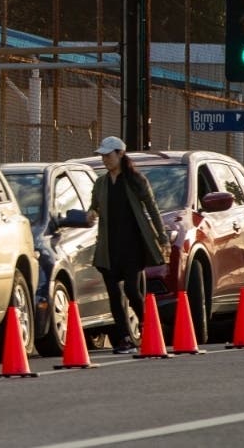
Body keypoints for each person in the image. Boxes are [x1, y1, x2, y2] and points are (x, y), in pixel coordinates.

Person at [86, 136, 168, 355]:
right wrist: (91, 213)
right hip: (108, 247)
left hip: (133, 245)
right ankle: (124, 338)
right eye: (102, 155)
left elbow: (152, 209)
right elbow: (94, 206)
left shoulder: (136, 180)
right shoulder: (101, 183)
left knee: (132, 288)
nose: (104, 159)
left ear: (121, 154)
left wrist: (163, 238)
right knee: (114, 293)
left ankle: (149, 326)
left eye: (108, 155)